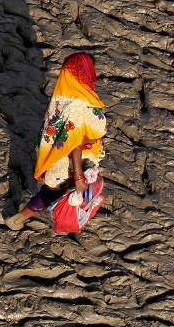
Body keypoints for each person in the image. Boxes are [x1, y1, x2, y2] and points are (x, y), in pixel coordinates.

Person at [6, 52, 106, 230]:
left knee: (53, 193)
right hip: (69, 163)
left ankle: (18, 219)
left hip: (68, 159)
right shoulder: (78, 103)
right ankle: (17, 219)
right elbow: (74, 142)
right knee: (52, 194)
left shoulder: (66, 95)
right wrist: (78, 176)